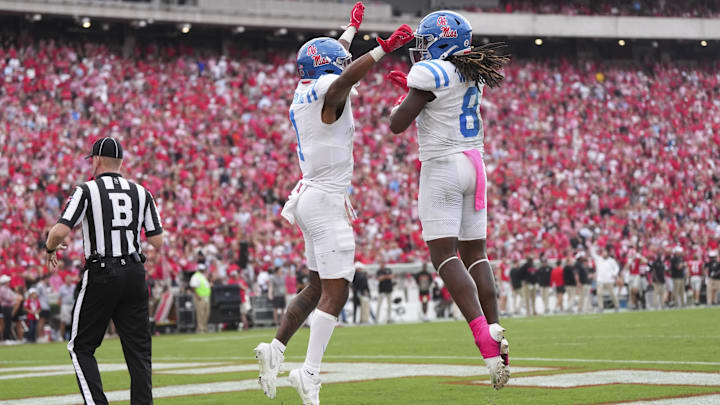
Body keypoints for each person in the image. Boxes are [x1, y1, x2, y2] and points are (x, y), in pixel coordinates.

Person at [253, 5, 414, 403]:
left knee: (313, 287)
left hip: (309, 195)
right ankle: (308, 373)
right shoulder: (330, 91)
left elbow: (333, 60)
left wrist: (350, 30)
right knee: (336, 290)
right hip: (326, 200)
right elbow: (342, 76)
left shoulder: (303, 89)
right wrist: (380, 50)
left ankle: (274, 349)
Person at [388, 10, 511, 389]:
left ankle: (483, 338)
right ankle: (494, 325)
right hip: (475, 164)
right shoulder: (474, 69)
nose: (421, 50)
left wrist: (402, 100)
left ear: (442, 42)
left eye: (427, 41)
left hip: (442, 165)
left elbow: (397, 124)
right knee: (478, 254)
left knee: (444, 256)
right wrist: (413, 95)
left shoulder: (429, 73)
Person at [44, 136, 163, 405]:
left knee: (80, 347)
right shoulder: (142, 192)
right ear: (120, 162)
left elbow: (60, 231)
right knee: (139, 352)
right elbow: (157, 240)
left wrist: (50, 247)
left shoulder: (86, 190)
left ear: (96, 160)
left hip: (102, 271)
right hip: (134, 271)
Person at [589, 243, 620, 311]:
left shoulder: (611, 260)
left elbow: (617, 268)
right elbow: (592, 253)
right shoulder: (599, 259)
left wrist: (614, 274)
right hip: (600, 280)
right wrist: (594, 245)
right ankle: (601, 307)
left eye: (605, 252)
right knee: (599, 293)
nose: (603, 253)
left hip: (609, 280)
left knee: (612, 294)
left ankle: (617, 306)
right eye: (603, 252)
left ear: (607, 253)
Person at [189, 264, 211, 333]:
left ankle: (204, 327)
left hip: (206, 297)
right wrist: (197, 295)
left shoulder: (202, 276)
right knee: (200, 313)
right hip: (200, 297)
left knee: (206, 313)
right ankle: (200, 328)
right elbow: (193, 286)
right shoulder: (196, 276)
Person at [1, 275, 21, 342]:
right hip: (5, 307)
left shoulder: (7, 288)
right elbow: (8, 298)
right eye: (7, 281)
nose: (9, 282)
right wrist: (15, 299)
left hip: (8, 307)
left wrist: (15, 297)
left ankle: (8, 338)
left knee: (9, 323)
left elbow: (12, 296)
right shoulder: (3, 289)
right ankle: (6, 338)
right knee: (7, 323)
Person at [58, 275, 76, 340]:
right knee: (63, 321)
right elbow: (59, 299)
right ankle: (61, 336)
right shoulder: (62, 288)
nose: (68, 280)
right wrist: (61, 307)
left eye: (69, 279)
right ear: (65, 280)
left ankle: (73, 336)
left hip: (73, 305)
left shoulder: (74, 287)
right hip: (65, 305)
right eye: (67, 279)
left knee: (74, 321)